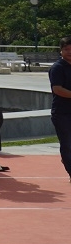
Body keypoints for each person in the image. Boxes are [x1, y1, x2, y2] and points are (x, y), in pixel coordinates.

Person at [49, 36, 71, 183]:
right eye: (66, 49)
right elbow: (57, 89)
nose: (69, 52)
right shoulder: (57, 68)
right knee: (68, 144)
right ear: (61, 51)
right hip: (62, 113)